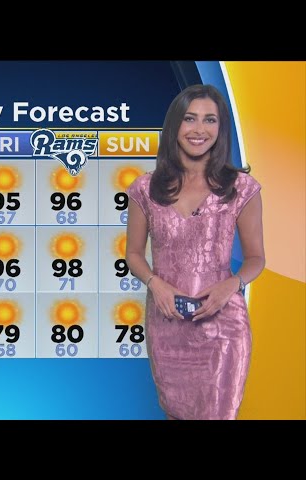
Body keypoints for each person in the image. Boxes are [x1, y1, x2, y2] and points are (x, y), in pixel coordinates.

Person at [125, 84, 265, 420]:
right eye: (190, 118)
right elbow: (133, 254)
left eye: (210, 120)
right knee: (175, 412)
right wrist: (155, 284)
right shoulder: (145, 188)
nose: (199, 129)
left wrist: (230, 286)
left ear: (220, 128)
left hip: (223, 325)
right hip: (167, 324)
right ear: (175, 124)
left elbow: (256, 258)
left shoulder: (241, 187)